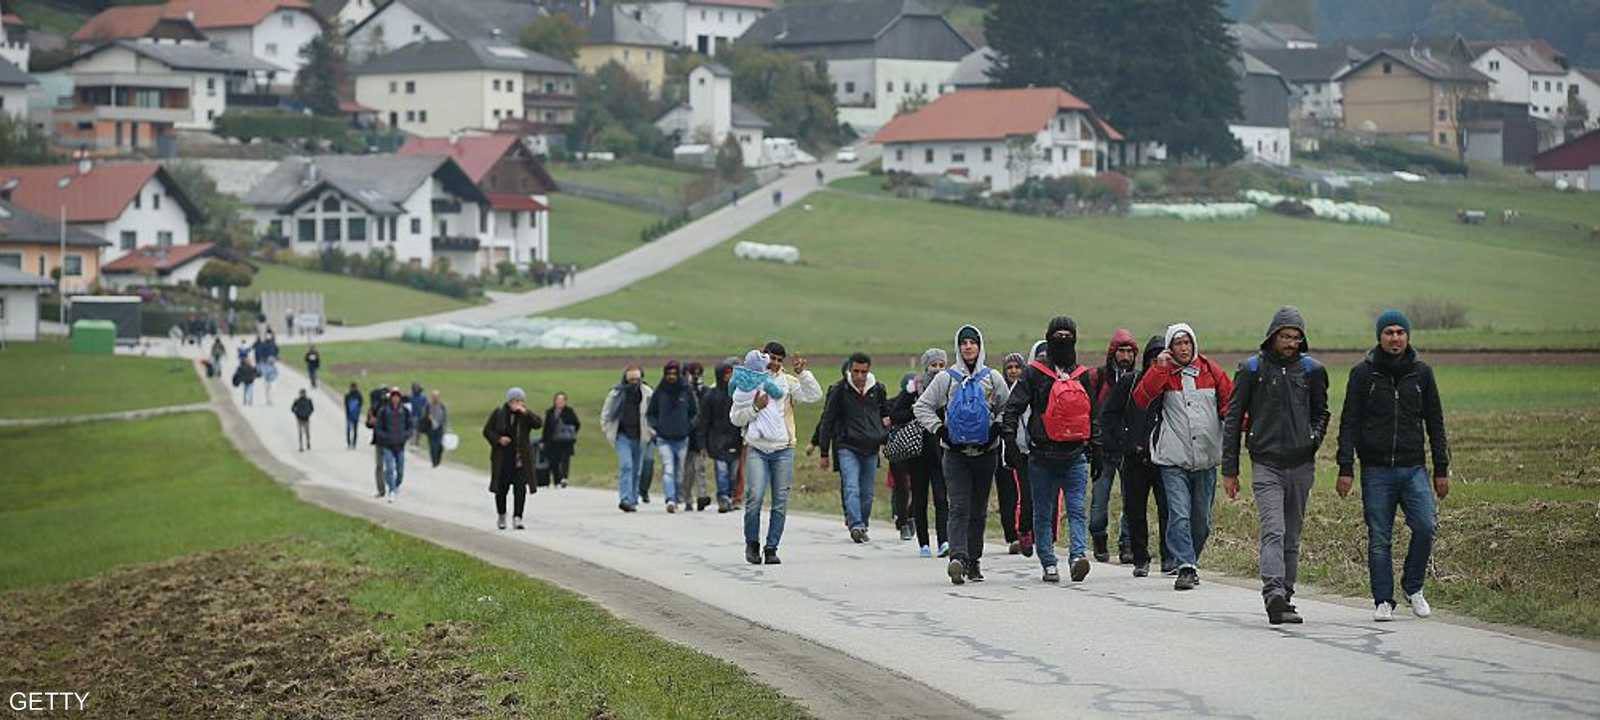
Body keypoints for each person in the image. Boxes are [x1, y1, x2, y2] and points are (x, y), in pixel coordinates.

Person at [1336, 309, 1451, 623]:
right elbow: (1350, 421)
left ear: (1408, 336)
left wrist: (1442, 468)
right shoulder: (1363, 374)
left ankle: (1413, 587)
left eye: (1400, 332)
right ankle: (1383, 600)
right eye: (1389, 332)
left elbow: (1436, 423)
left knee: (1426, 526)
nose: (1395, 337)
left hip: (1414, 468)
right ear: (1379, 337)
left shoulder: (1422, 374)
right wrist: (1345, 467)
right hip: (1376, 470)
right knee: (1379, 537)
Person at [1223, 306, 1330, 625]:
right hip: (1265, 462)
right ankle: (1273, 594)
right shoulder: (1252, 369)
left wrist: (1312, 440)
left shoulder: (1312, 371)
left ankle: (1287, 593)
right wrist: (1230, 468)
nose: (1291, 343)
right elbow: (1233, 419)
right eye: (1286, 336)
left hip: (1301, 463)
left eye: (1297, 337)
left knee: (1292, 535)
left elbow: (1322, 412)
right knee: (1274, 529)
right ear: (1272, 336)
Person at [1133, 323, 1233, 591]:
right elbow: (1142, 398)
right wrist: (1159, 369)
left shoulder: (1211, 371)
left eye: (1187, 343)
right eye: (1178, 344)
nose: (1184, 348)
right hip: (1173, 458)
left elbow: (1230, 405)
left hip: (1206, 458)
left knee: (1202, 520)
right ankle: (1186, 565)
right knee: (1178, 515)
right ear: (1170, 347)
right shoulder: (1164, 372)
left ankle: (1190, 560)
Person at [1002, 318, 1097, 583]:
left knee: (1069, 510)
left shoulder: (1073, 374)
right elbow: (1014, 408)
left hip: (1067, 455)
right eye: (1058, 334)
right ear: (1049, 337)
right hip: (1048, 456)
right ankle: (1053, 560)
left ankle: (1073, 557)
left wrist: (1096, 447)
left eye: (1068, 334)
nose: (1063, 338)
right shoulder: (1037, 373)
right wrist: (1010, 442)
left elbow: (1093, 415)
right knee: (1050, 512)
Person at [916, 325, 1011, 585]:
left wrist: (997, 428)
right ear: (957, 347)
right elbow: (921, 406)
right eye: (963, 343)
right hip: (954, 454)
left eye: (973, 342)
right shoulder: (946, 378)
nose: (968, 347)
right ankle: (957, 558)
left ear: (980, 346)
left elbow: (1008, 405)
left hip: (986, 453)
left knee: (978, 510)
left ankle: (974, 561)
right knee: (958, 506)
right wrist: (939, 430)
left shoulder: (992, 378)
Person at [729, 342, 823, 565]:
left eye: (780, 360)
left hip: (783, 449)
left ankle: (772, 548)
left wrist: (803, 374)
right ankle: (752, 544)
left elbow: (814, 395)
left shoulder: (788, 382)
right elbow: (735, 418)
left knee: (780, 501)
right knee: (755, 498)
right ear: (764, 357)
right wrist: (754, 408)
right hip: (757, 448)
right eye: (772, 358)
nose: (775, 363)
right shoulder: (750, 380)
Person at [1101, 336, 1173, 577]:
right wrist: (1122, 443)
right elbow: (1109, 414)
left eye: (1162, 358)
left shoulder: (1172, 385)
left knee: (1168, 510)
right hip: (1134, 457)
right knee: (1135, 511)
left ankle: (1169, 557)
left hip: (1165, 458)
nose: (1158, 362)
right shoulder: (1131, 383)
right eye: (1154, 358)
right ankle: (1141, 558)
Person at [817, 352, 890, 543]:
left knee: (867, 492)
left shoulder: (878, 390)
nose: (859, 376)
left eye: (863, 372)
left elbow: (885, 416)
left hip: (871, 447)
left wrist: (885, 439)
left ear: (869, 371)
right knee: (851, 486)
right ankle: (856, 524)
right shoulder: (839, 390)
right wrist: (824, 452)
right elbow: (827, 420)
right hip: (846, 446)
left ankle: (862, 524)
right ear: (850, 369)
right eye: (856, 371)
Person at [1089, 330, 1140, 563]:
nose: (1126, 356)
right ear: (1113, 353)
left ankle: (1126, 543)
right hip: (1102, 449)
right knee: (1099, 501)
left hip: (1128, 450)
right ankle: (1099, 537)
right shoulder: (1097, 378)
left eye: (1130, 351)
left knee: (1131, 500)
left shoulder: (1139, 379)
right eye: (1122, 350)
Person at [903, 349, 951, 558]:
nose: (938, 370)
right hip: (917, 454)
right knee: (920, 499)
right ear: (926, 366)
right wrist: (916, 410)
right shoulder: (913, 388)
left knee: (942, 499)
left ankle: (944, 541)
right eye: (934, 365)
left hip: (941, 453)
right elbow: (896, 412)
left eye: (942, 365)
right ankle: (923, 543)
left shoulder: (950, 387)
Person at [484, 387, 541, 530]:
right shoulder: (499, 413)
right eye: (515, 400)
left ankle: (518, 517)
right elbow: (487, 431)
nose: (518, 403)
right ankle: (502, 515)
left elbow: (538, 424)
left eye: (521, 400)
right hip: (503, 459)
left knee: (520, 489)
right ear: (509, 401)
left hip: (520, 460)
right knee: (501, 490)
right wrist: (498, 439)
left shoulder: (526, 415)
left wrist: (526, 412)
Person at [646, 360, 698, 513]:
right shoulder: (660, 392)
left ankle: (676, 497)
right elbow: (651, 413)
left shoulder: (686, 391)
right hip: (664, 438)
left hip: (682, 438)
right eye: (668, 374)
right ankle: (670, 499)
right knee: (668, 469)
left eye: (674, 374)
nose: (671, 377)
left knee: (679, 472)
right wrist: (657, 427)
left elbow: (695, 413)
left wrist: (688, 427)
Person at [995, 351, 1034, 556]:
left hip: (1024, 450)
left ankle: (1025, 532)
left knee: (1025, 494)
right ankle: (1011, 535)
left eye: (1017, 367)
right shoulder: (1000, 390)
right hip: (1002, 451)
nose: (1013, 371)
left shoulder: (1029, 389)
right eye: (1009, 368)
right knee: (1007, 495)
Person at [602, 366, 654, 512]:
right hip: (622, 435)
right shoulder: (616, 394)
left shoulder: (647, 393)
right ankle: (624, 498)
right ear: (625, 379)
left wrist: (651, 432)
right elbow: (606, 414)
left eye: (636, 380)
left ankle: (632, 498)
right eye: (631, 380)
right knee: (627, 466)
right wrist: (608, 431)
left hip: (641, 435)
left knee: (637, 469)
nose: (634, 383)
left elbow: (654, 413)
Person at [699, 359, 743, 513]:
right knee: (722, 472)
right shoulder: (710, 396)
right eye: (726, 374)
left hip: (736, 439)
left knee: (733, 473)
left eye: (731, 373)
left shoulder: (738, 395)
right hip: (716, 441)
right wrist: (703, 444)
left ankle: (730, 497)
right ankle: (723, 498)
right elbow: (704, 421)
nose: (729, 377)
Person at [885, 372, 920, 541]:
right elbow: (894, 416)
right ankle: (903, 522)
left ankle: (911, 515)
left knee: (918, 486)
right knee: (902, 488)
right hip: (899, 449)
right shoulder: (895, 402)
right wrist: (914, 411)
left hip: (920, 449)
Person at [373, 387, 414, 503]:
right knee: (390, 468)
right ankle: (391, 490)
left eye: (397, 396)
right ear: (390, 398)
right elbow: (378, 428)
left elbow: (410, 426)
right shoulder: (384, 411)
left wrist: (405, 436)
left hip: (400, 445)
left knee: (400, 471)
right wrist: (385, 437)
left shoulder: (405, 411)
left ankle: (395, 485)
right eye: (393, 396)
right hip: (388, 445)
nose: (395, 399)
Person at [683, 362, 711, 511]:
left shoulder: (705, 391)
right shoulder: (683, 392)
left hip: (701, 436)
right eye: (693, 373)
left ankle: (702, 496)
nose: (696, 376)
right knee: (688, 470)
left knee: (701, 467)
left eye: (699, 373)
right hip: (686, 435)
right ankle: (687, 497)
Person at [367, 384, 390, 497]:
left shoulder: (393, 408)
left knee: (390, 466)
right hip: (379, 440)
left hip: (390, 441)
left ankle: (390, 486)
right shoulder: (375, 407)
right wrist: (371, 420)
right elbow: (369, 423)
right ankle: (381, 490)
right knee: (379, 466)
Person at [424, 390, 449, 468]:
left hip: (439, 428)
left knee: (440, 446)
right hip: (430, 429)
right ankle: (434, 461)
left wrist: (446, 427)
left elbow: (445, 417)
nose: (435, 398)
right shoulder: (428, 406)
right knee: (432, 446)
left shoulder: (442, 406)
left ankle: (438, 459)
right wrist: (429, 418)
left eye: (436, 397)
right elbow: (424, 416)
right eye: (434, 397)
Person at [343, 382, 364, 450]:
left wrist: (358, 413)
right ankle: (349, 443)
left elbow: (360, 404)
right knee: (349, 430)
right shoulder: (348, 395)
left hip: (355, 415)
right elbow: (346, 405)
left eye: (354, 387)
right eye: (352, 387)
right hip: (349, 415)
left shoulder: (358, 395)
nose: (353, 388)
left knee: (354, 430)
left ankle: (354, 444)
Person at [409, 382, 429, 446]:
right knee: (413, 428)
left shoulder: (423, 397)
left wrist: (425, 413)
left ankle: (417, 441)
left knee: (419, 430)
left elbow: (426, 405)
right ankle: (412, 440)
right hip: (413, 415)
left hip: (420, 415)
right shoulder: (411, 397)